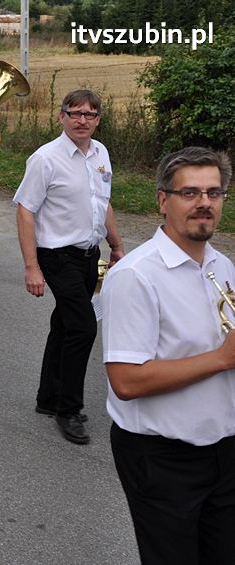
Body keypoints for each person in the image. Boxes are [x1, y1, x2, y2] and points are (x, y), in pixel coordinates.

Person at [102, 146, 235, 563]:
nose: (204, 204)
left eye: (214, 193)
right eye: (190, 193)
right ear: (163, 200)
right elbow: (126, 381)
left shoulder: (223, 265)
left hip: (224, 447)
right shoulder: (135, 277)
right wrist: (222, 358)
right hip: (162, 456)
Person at [13, 89, 125, 444]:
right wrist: (32, 267)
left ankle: (48, 398)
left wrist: (117, 244)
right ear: (61, 117)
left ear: (98, 119)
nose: (82, 120)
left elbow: (102, 203)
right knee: (82, 328)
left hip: (89, 255)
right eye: (75, 113)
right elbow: (25, 210)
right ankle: (68, 409)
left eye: (90, 115)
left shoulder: (101, 153)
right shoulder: (45, 159)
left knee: (64, 326)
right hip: (57, 256)